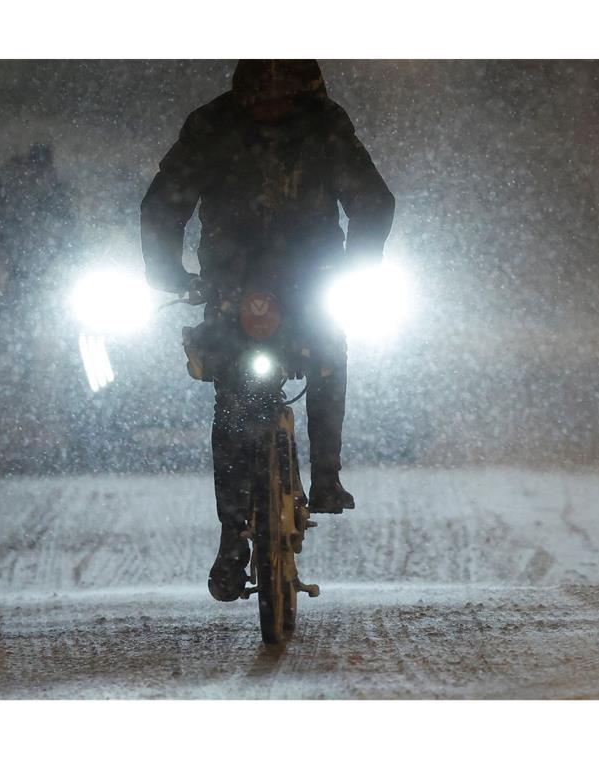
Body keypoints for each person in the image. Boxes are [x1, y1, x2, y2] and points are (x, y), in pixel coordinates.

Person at [141, 60, 395, 601]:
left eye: (283, 96)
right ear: (244, 95)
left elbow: (373, 200)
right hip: (231, 284)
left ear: (304, 95)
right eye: (262, 96)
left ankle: (327, 476)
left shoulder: (326, 125)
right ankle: (232, 534)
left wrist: (356, 267)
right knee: (232, 402)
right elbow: (165, 204)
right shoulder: (211, 126)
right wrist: (170, 274)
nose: (272, 105)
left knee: (327, 351)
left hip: (311, 276)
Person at [0, 143, 76, 303]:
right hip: (8, 245)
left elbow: (67, 223)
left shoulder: (52, 191)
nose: (37, 172)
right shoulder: (9, 181)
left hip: (29, 256)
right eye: (34, 165)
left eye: (42, 167)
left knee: (20, 287)